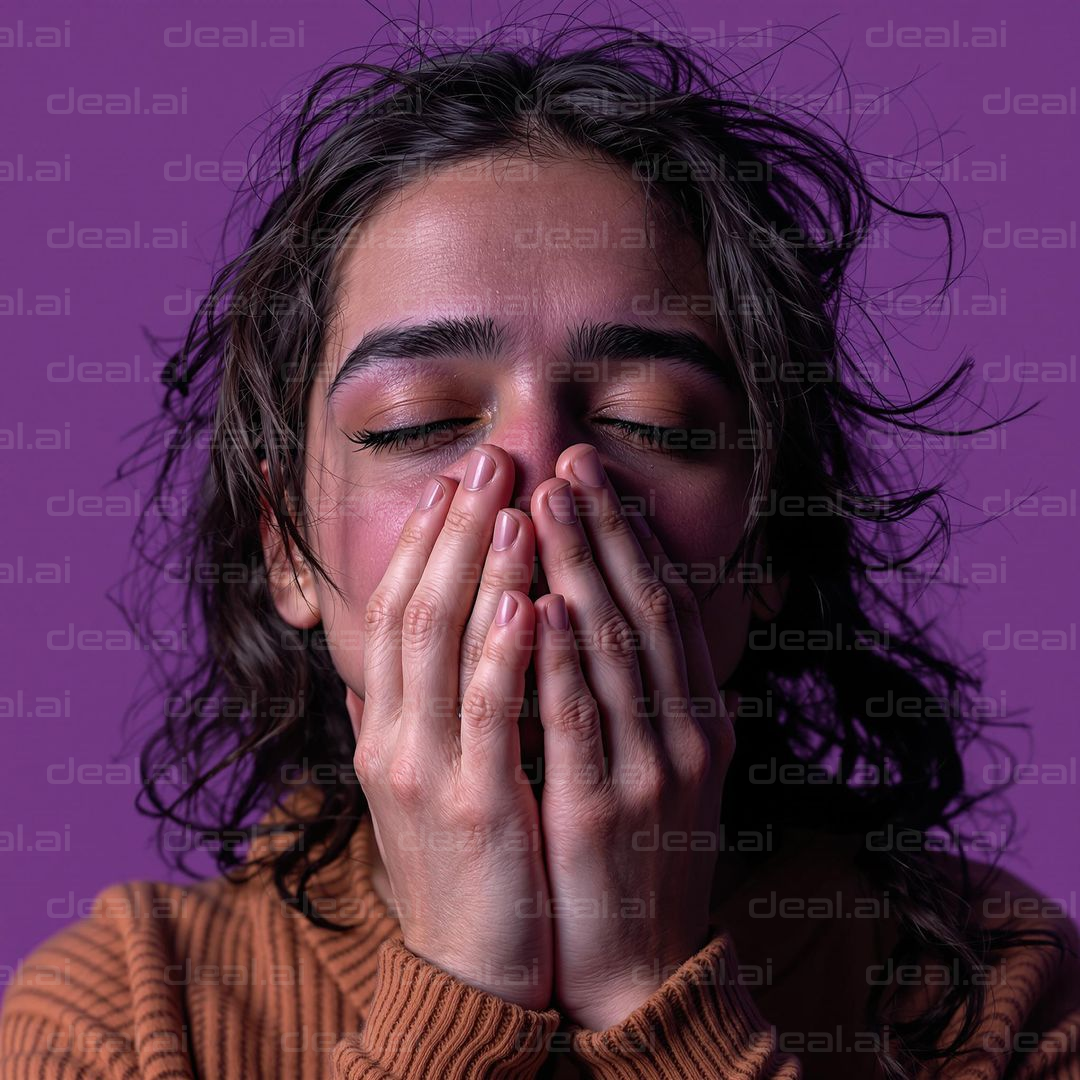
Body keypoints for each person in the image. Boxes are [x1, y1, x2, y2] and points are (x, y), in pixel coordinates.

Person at [2, 22, 1077, 1080]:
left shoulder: (990, 992)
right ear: (286, 544)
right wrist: (457, 995)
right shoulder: (132, 1017)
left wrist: (654, 993)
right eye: (417, 423)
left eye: (654, 422)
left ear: (768, 540)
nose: (540, 477)